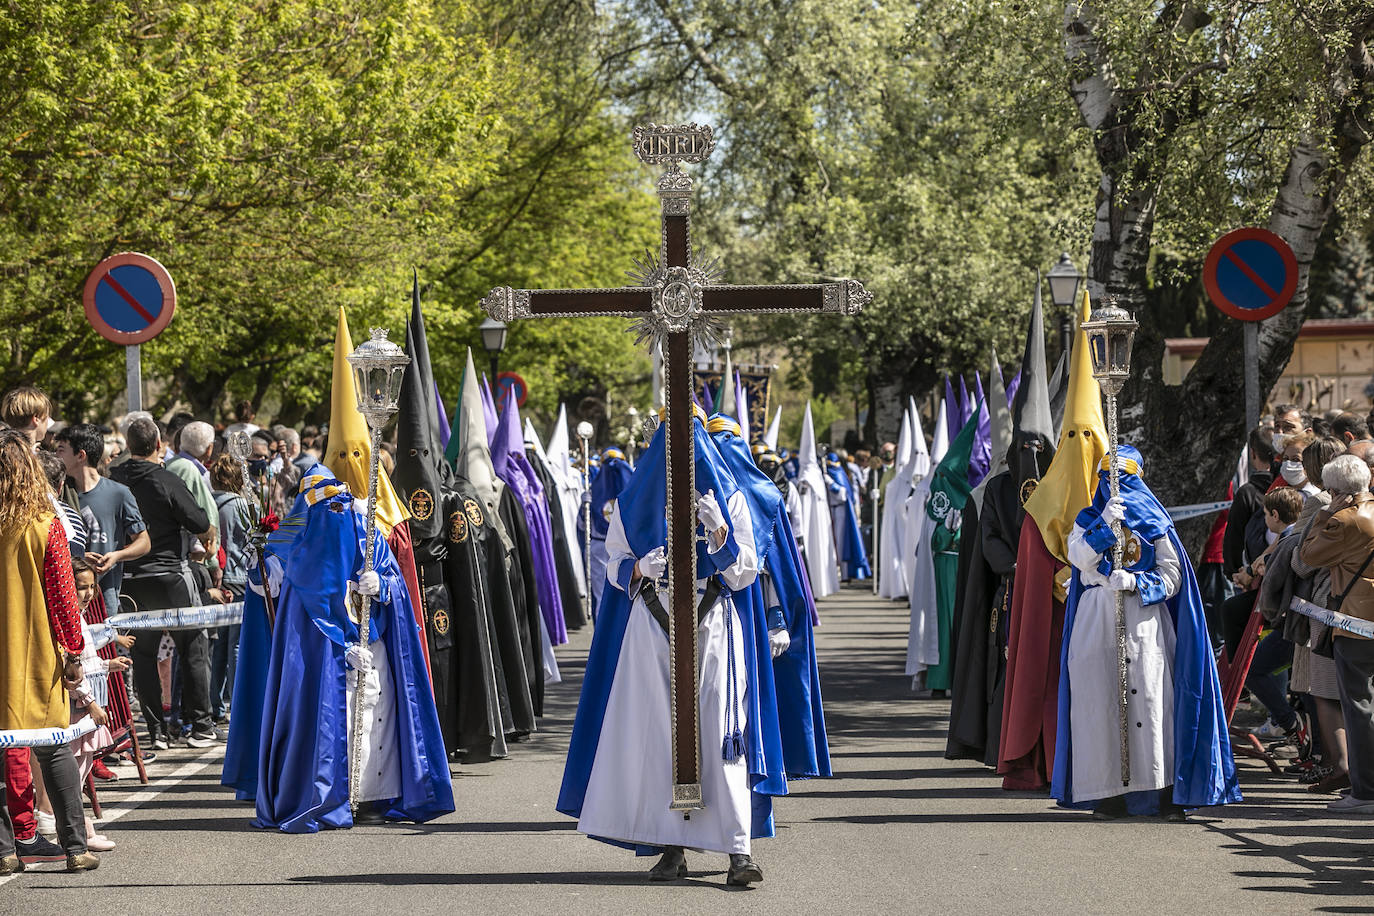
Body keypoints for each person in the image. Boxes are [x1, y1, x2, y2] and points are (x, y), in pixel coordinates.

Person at [558, 406, 769, 886]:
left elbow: (744, 574)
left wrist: (719, 535)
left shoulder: (729, 498)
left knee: (720, 730)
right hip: (653, 623)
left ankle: (738, 849)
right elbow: (612, 562)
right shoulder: (633, 500)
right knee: (659, 734)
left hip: (712, 619)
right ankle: (669, 844)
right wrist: (637, 570)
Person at [253, 471, 453, 832]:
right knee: (334, 723)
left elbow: (396, 584)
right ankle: (333, 797)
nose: (338, 512)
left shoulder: (369, 537)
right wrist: (259, 562)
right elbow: (279, 598)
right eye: (329, 506)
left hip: (372, 646)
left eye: (342, 505)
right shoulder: (296, 549)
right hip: (325, 666)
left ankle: (377, 795)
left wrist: (382, 586)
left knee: (379, 720)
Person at [1053, 446, 1240, 819]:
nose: (1116, 487)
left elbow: (1173, 576)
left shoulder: (1156, 519)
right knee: (1099, 704)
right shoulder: (1088, 517)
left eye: (1123, 479)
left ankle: (1166, 792)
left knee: (1153, 703)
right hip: (1096, 621)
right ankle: (1109, 792)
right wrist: (1104, 526)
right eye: (1109, 479)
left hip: (1144, 624)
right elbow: (1079, 557)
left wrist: (1138, 582)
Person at [0, 429, 98, 874]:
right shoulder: (45, 523)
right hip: (35, 651)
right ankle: (76, 846)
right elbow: (62, 598)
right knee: (51, 747)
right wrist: (75, 652)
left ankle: (3, 849)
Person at [109, 417, 217, 750]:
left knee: (143, 652)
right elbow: (199, 521)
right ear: (159, 445)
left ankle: (155, 732)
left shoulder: (113, 479)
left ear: (128, 446)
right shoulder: (165, 479)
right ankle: (200, 725)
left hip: (131, 578)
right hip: (171, 575)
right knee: (194, 646)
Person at [1299, 454, 1374, 814]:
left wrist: (1325, 515)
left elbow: (1307, 556)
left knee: (1358, 708)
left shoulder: (1343, 521)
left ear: (1336, 492)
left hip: (1355, 625)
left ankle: (1365, 790)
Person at [65, 558, 129, 852]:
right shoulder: (69, 620)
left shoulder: (79, 617)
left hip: (87, 708)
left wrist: (107, 665)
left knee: (80, 771)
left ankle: (82, 829)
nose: (88, 593)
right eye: (81, 587)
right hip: (78, 710)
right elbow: (73, 672)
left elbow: (87, 664)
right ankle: (80, 832)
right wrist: (90, 704)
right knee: (73, 777)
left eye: (92, 587)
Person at [55, 424, 150, 615]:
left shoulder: (119, 493)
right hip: (66, 599)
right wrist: (80, 555)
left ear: (81, 455)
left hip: (104, 600)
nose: (56, 456)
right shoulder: (59, 495)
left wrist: (116, 556)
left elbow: (143, 542)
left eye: (61, 450)